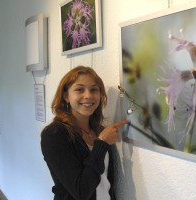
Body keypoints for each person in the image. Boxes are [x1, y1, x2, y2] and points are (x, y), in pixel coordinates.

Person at [41, 65, 130, 200]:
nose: (88, 96)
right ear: (66, 96)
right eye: (79, 89)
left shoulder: (99, 130)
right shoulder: (54, 135)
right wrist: (102, 144)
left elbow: (105, 181)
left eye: (94, 89)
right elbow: (81, 191)